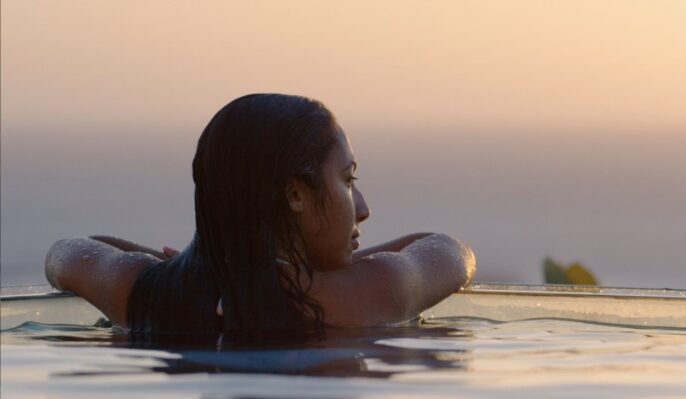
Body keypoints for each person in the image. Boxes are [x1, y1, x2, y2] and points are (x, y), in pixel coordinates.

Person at [44, 94, 476, 335]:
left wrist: (183, 267)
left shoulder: (144, 294)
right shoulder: (358, 295)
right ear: (295, 194)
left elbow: (68, 254)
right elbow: (450, 252)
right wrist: (337, 271)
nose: (363, 210)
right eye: (347, 181)